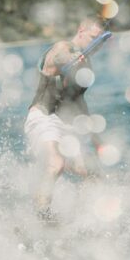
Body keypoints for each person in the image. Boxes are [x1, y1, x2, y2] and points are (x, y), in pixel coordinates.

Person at [24, 17, 105, 221]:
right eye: (93, 38)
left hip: (65, 124)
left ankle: (81, 218)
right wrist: (72, 60)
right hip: (43, 117)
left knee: (91, 172)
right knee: (56, 163)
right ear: (80, 30)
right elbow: (61, 58)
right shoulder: (63, 47)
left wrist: (96, 140)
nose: (96, 45)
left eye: (100, 41)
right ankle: (40, 217)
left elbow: (79, 102)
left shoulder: (87, 63)